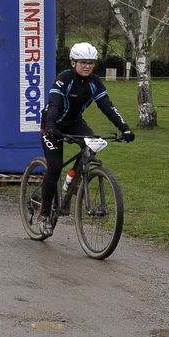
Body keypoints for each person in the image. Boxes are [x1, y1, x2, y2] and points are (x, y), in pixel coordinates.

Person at [37, 42, 136, 237]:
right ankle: (44, 213)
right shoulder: (64, 79)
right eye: (83, 62)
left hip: (75, 123)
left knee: (92, 147)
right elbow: (54, 105)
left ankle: (71, 180)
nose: (87, 66)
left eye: (91, 63)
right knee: (54, 168)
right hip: (52, 124)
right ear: (73, 63)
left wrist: (124, 128)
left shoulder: (94, 82)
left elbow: (107, 106)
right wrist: (51, 127)